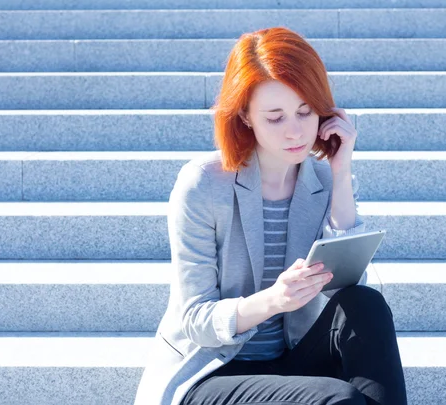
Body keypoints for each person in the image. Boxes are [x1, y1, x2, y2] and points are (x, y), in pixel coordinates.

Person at [133, 26, 408, 405]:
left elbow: (346, 284)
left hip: (292, 364)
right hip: (212, 372)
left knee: (365, 304)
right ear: (245, 116)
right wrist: (274, 300)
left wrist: (341, 171)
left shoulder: (327, 179)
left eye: (305, 111)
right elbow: (195, 320)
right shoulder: (203, 184)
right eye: (275, 117)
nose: (295, 131)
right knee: (339, 400)